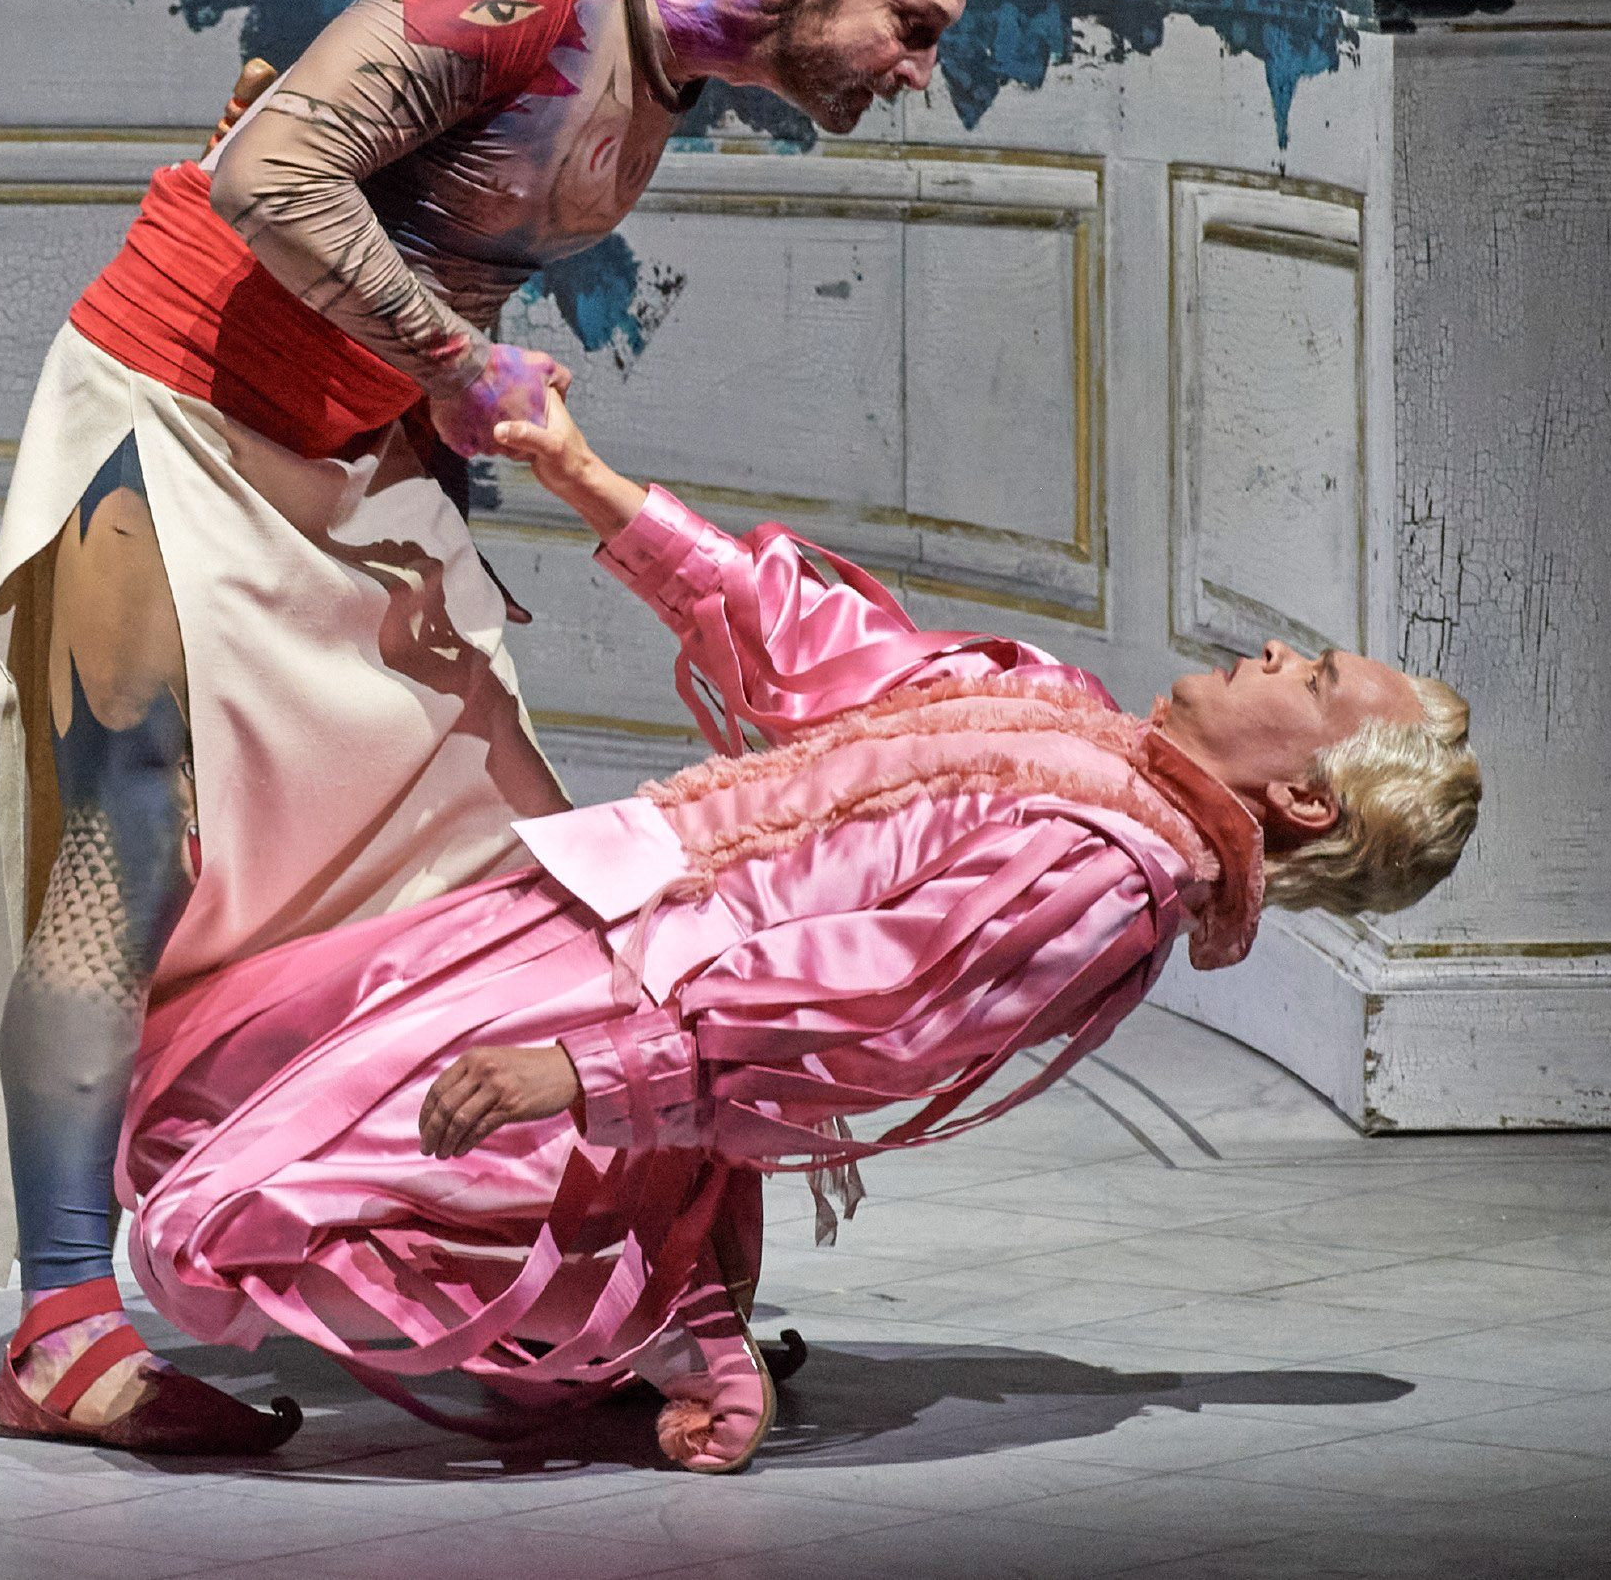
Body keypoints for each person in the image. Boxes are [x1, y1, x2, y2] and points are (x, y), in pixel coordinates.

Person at [0, 0, 984, 1450]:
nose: (917, 67)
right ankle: (61, 1331)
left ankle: (602, 1309)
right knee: (121, 839)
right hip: (167, 428)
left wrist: (425, 429)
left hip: (346, 477)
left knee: (527, 895)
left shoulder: (658, 82)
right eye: (914, 23)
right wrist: (447, 361)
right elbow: (265, 174)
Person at [115, 384, 1482, 1472]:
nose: (1267, 653)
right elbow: (822, 646)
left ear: (1304, 790)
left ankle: (647, 1311)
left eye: (1304, 675)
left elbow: (869, 1007)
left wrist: (590, 1071)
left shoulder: (1104, 870)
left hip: (623, 1001)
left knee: (204, 1234)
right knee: (188, 1071)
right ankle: (621, 1290)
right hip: (595, 905)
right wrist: (587, 480)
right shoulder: (1072, 716)